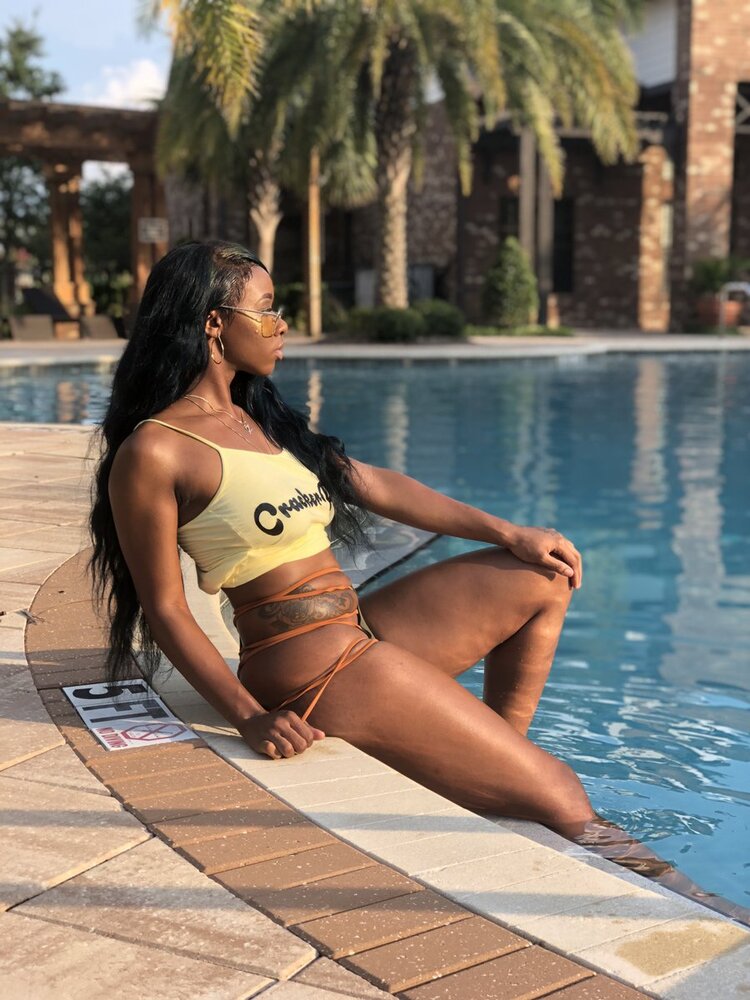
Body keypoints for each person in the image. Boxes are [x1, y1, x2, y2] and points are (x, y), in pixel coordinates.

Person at [89, 240, 746, 921]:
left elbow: (374, 484)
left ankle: (493, 770)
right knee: (561, 792)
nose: (283, 325)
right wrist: (248, 717)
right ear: (213, 323)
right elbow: (165, 609)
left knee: (540, 576)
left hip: (354, 627)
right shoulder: (156, 450)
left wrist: (508, 532)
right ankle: (701, 906)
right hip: (307, 666)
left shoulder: (257, 418)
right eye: (268, 310)